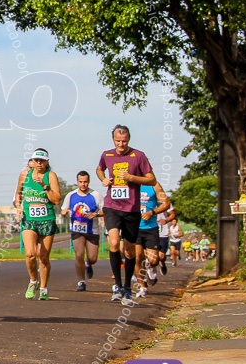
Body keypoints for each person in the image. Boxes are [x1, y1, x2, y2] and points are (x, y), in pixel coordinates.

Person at [96, 124, 157, 307]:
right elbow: (99, 169)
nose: (121, 144)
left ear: (128, 140)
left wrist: (132, 178)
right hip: (112, 206)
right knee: (114, 243)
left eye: (124, 141)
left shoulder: (138, 156)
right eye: (117, 141)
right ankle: (117, 285)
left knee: (129, 250)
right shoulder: (107, 155)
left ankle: (127, 288)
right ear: (113, 140)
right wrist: (103, 179)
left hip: (131, 209)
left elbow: (151, 179)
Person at [13, 149, 61, 299]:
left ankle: (44, 288)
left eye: (42, 161)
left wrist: (45, 186)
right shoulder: (24, 175)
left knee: (44, 257)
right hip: (29, 219)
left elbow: (57, 200)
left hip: (46, 220)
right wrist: (19, 208)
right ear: (32, 161)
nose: (39, 164)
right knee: (30, 254)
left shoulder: (51, 176)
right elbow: (18, 194)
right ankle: (33, 281)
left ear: (47, 162)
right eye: (36, 161)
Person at [60, 170, 103, 291]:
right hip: (77, 229)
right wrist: (63, 213)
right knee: (79, 254)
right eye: (80, 182)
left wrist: (96, 214)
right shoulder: (71, 195)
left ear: (88, 182)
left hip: (92, 230)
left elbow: (105, 210)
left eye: (85, 182)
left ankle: (88, 264)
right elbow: (64, 209)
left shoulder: (95, 195)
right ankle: (81, 281)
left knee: (93, 258)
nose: (83, 184)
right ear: (77, 182)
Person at [134, 181, 170, 298]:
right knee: (138, 257)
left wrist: (152, 212)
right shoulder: (130, 184)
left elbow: (166, 204)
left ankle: (151, 267)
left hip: (151, 228)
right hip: (134, 228)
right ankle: (143, 287)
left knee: (154, 260)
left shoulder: (154, 185)